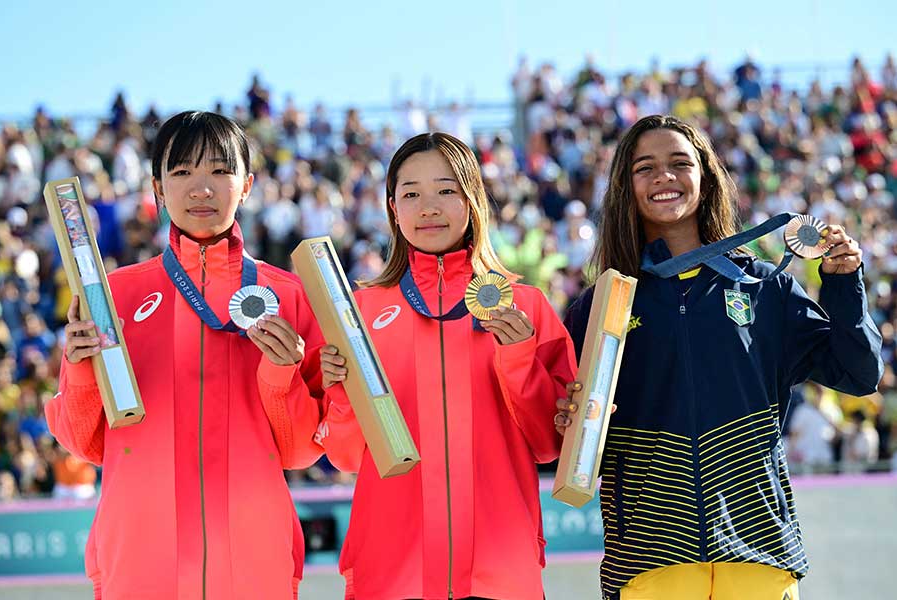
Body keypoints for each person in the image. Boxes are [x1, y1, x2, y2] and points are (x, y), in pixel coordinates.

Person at [557, 115, 883, 600]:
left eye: (679, 163)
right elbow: (573, 436)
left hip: (759, 556)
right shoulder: (602, 306)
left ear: (706, 178)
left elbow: (859, 373)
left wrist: (843, 284)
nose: (664, 176)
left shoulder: (764, 287)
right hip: (650, 563)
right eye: (645, 167)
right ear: (626, 186)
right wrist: (566, 421)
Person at [47, 111, 325, 599]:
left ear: (247, 185)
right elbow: (83, 443)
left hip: (253, 562)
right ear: (158, 188)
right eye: (182, 173)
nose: (202, 188)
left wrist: (282, 376)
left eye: (220, 171)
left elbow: (303, 448)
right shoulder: (114, 297)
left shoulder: (290, 296)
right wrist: (81, 368)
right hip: (139, 563)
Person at [317, 132, 576, 599]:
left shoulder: (526, 307)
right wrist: (339, 393)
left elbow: (550, 442)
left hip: (498, 574)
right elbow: (345, 454)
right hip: (391, 573)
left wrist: (518, 360)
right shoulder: (360, 313)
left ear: (473, 200)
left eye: (445, 189)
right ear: (393, 208)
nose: (428, 207)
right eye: (411, 194)